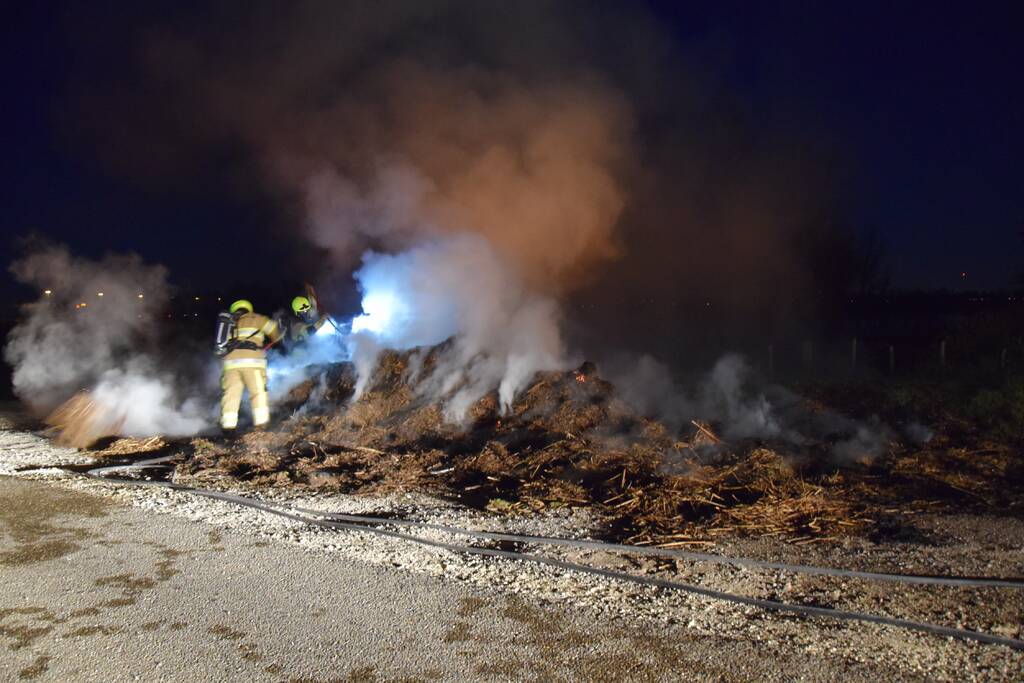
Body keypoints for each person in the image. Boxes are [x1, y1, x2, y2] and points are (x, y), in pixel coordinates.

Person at [215, 299, 283, 432]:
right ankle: (261, 425)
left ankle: (228, 428)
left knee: (230, 395)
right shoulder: (257, 319)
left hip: (230, 365)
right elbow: (275, 331)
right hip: (252, 363)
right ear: (249, 309)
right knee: (258, 392)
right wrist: (277, 339)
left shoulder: (229, 323)